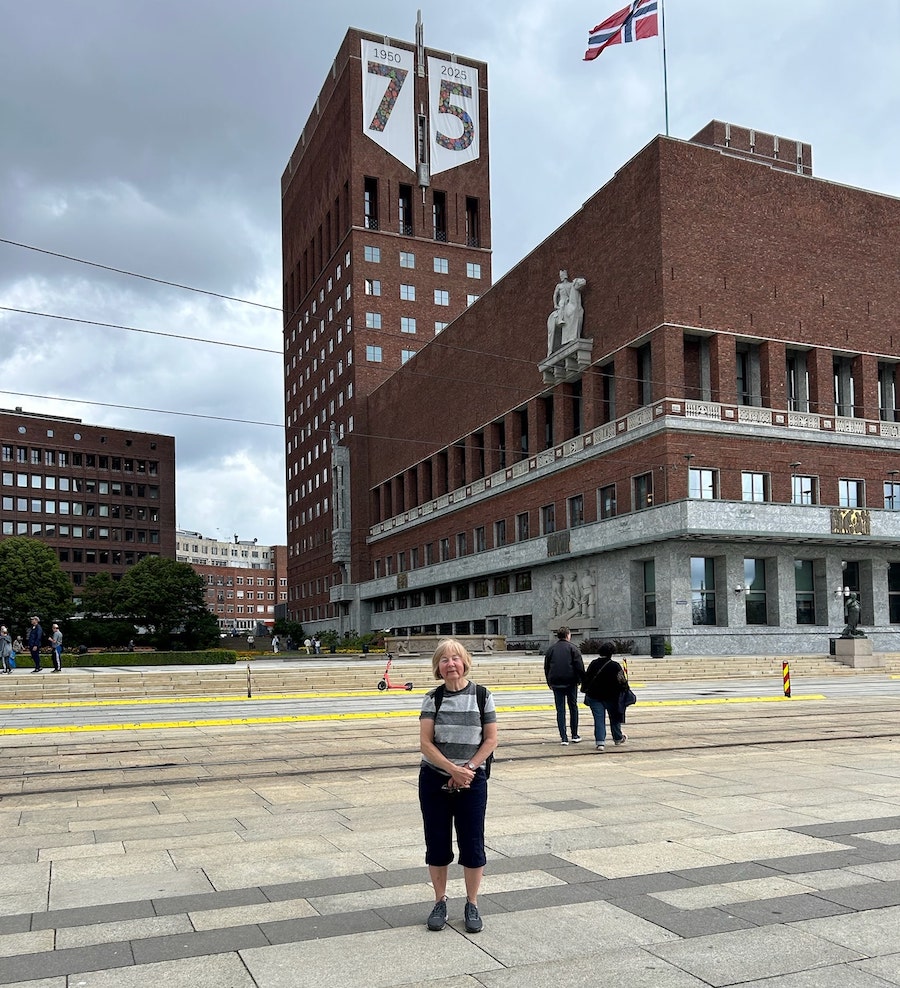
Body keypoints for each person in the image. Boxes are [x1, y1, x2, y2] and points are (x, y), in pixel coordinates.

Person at [419, 638, 497, 935]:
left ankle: (472, 903)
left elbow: (490, 739)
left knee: (473, 843)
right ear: (438, 667)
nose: (450, 664)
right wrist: (452, 769)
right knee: (437, 843)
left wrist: (467, 770)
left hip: (472, 782)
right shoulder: (432, 698)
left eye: (455, 658)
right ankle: (440, 901)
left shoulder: (482, 695)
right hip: (435, 781)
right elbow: (426, 743)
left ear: (465, 662)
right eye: (444, 660)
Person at [581, 641, 628, 751]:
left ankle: (600, 742)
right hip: (612, 697)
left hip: (594, 696)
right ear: (612, 653)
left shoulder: (593, 663)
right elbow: (622, 682)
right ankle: (617, 738)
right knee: (615, 717)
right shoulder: (615, 666)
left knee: (599, 719)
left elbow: (586, 678)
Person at [544, 626, 585, 745]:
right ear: (568, 635)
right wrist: (582, 680)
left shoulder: (551, 649)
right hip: (571, 682)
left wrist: (549, 682)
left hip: (556, 683)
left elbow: (547, 667)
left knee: (560, 710)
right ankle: (575, 734)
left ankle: (563, 737)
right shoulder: (573, 648)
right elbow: (579, 666)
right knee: (573, 707)